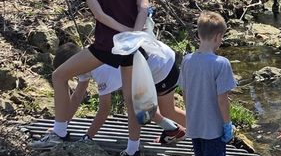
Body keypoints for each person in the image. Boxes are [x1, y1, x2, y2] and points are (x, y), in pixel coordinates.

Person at [30, 0, 147, 156]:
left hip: (106, 45)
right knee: (130, 99)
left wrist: (123, 31)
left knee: (59, 75)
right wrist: (133, 34)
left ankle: (59, 132)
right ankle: (133, 151)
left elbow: (100, 15)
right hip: (132, 45)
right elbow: (144, 8)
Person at [54, 38, 186, 144]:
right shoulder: (84, 62)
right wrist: (61, 125)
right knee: (145, 106)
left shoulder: (101, 71)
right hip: (151, 60)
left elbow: (104, 109)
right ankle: (175, 130)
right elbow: (77, 96)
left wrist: (87, 138)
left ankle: (195, 131)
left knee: (166, 110)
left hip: (161, 64)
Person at [178, 12, 237, 156]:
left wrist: (191, 113)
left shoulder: (187, 60)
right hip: (213, 126)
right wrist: (227, 124)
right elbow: (222, 99)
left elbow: (185, 92)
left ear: (199, 34)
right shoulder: (221, 63)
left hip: (194, 122)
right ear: (218, 37)